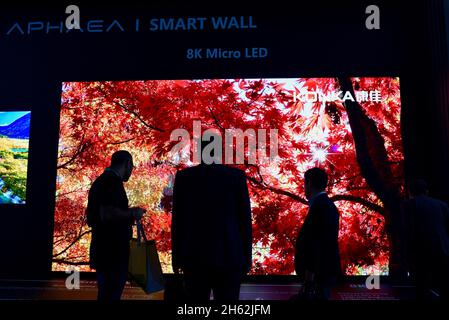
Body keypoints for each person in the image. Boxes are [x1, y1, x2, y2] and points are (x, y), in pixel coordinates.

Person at [171, 136, 252, 301]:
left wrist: (177, 257)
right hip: (229, 256)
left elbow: (178, 221)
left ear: (199, 152)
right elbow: (244, 221)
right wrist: (246, 257)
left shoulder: (185, 178)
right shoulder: (235, 177)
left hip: (194, 257)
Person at [86, 150, 146, 301]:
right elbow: (107, 214)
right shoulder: (111, 182)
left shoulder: (101, 182)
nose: (131, 171)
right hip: (112, 251)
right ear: (127, 163)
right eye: (132, 166)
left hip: (102, 248)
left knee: (105, 294)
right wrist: (132, 213)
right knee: (111, 294)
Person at [294, 167, 341, 300]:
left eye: (304, 183)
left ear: (308, 183)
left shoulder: (320, 207)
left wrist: (309, 278)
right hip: (323, 274)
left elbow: (315, 244)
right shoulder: (327, 206)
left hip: (318, 277)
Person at [402, 179, 449, 299]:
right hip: (441, 248)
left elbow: (406, 230)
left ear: (410, 191)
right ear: (426, 191)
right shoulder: (442, 205)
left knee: (421, 287)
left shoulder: (408, 206)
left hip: (420, 250)